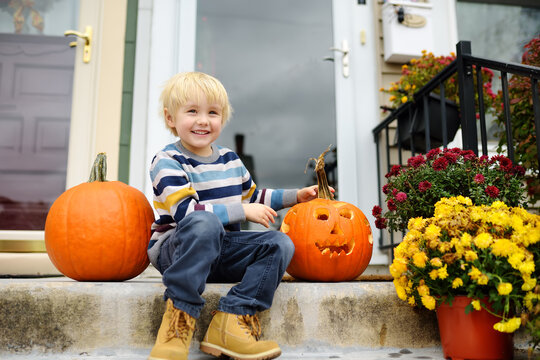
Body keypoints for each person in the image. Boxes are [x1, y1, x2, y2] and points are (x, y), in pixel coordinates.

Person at [147, 72, 324, 360]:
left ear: (222, 119)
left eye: (212, 113)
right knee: (203, 222)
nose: (203, 120)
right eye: (192, 111)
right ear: (171, 119)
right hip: (179, 250)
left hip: (222, 251)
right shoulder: (166, 161)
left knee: (280, 243)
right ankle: (179, 320)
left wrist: (295, 196)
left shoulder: (230, 159)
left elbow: (253, 198)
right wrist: (242, 211)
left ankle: (232, 319)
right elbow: (187, 213)